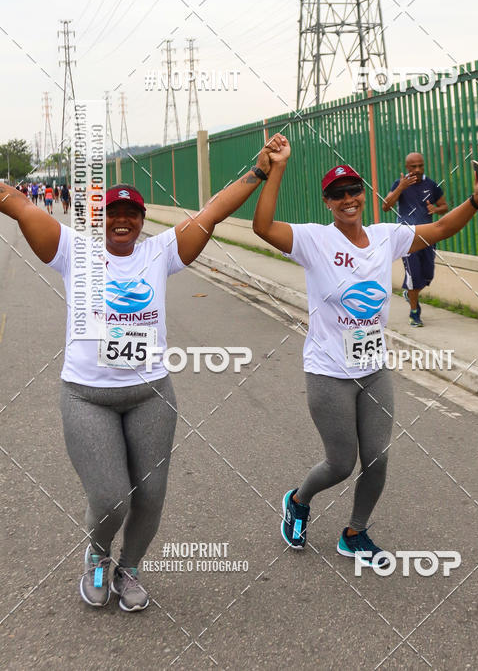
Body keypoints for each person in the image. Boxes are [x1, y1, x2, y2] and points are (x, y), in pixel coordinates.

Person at [0, 146, 277, 612]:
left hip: (151, 395)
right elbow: (20, 204)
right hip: (87, 397)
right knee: (111, 497)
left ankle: (129, 568)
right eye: (113, 213)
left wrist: (257, 172)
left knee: (149, 495)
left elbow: (213, 211)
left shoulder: (159, 253)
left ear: (142, 219)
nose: (122, 221)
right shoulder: (74, 252)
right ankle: (97, 555)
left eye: (131, 213)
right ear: (100, 218)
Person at [253, 135, 478, 566]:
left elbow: (438, 229)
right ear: (327, 202)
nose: (348, 199)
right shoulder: (315, 241)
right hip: (328, 371)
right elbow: (263, 228)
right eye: (338, 194)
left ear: (363, 195)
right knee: (341, 463)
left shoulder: (386, 236)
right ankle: (299, 499)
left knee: (378, 459)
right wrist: (277, 169)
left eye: (354, 191)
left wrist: (473, 202)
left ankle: (354, 533)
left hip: (374, 368)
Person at [382, 152, 448, 327]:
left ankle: (410, 294)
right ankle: (414, 313)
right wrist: (401, 188)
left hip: (427, 236)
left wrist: (436, 209)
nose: (417, 170)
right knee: (413, 276)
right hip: (406, 238)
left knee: (427, 276)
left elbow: (444, 206)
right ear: (407, 168)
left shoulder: (432, 185)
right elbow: (386, 206)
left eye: (420, 166)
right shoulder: (399, 184)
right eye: (413, 167)